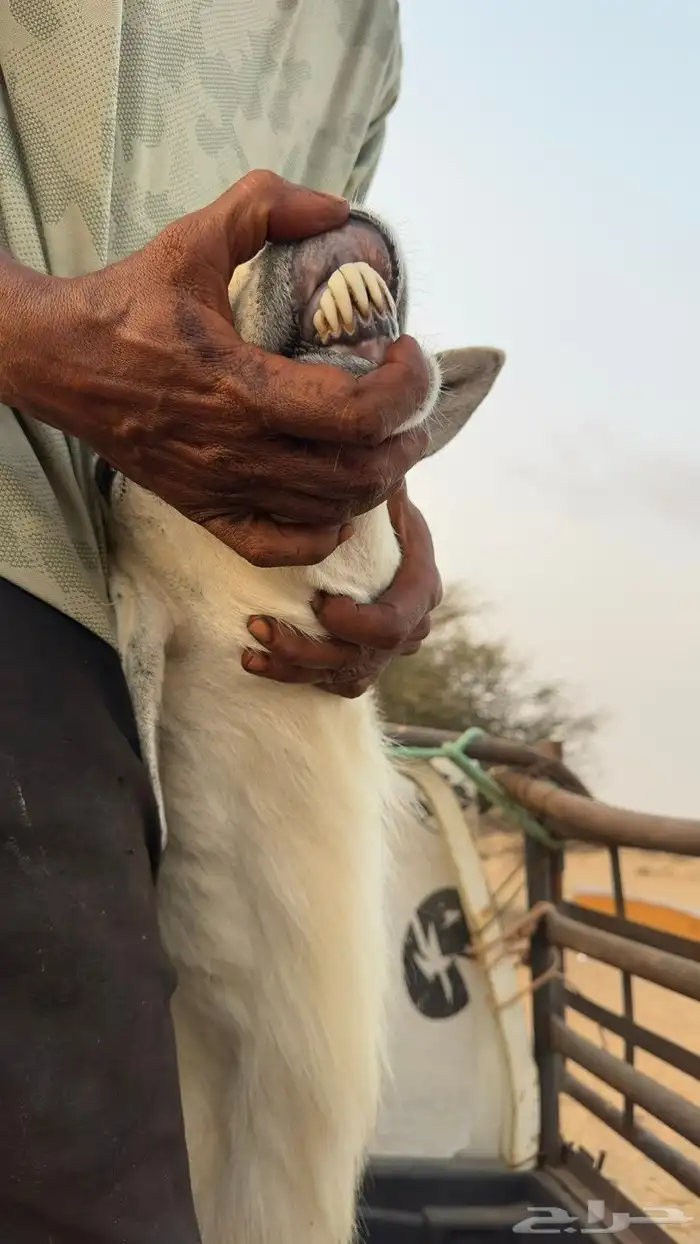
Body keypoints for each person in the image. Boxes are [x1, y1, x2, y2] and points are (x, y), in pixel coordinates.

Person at [0, 3, 442, 1241]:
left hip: (183, 664)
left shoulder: (370, 36)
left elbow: (293, 331)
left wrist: (371, 493)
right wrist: (32, 336)